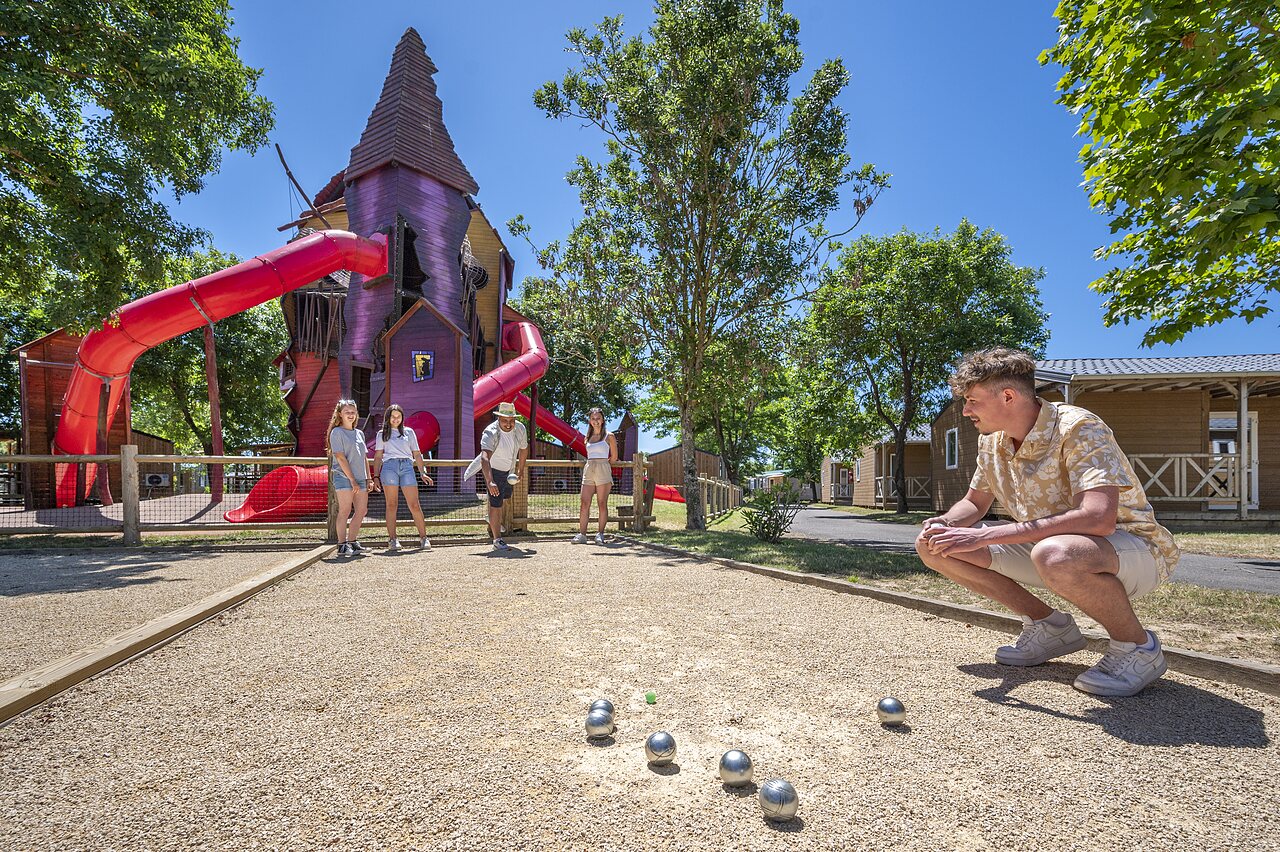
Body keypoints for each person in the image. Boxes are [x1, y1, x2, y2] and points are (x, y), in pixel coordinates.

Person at [916, 347, 1180, 697]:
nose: (965, 410)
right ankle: (1049, 628)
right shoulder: (991, 443)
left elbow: (1097, 519)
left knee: (1054, 554)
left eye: (973, 401)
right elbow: (974, 502)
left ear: (1008, 396)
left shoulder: (1078, 427)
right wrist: (946, 523)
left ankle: (1138, 648)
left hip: (1131, 548)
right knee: (935, 547)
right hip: (1050, 547)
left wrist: (986, 536)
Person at [373, 404, 435, 552]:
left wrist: (422, 472)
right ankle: (393, 540)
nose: (395, 419)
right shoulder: (382, 434)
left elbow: (417, 454)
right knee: (391, 504)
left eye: (398, 416)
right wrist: (375, 476)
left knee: (414, 504)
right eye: (393, 416)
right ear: (388, 418)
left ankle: (424, 538)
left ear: (402, 417)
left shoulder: (409, 432)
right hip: (389, 467)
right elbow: (378, 456)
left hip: (407, 467)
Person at [327, 399, 375, 557]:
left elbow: (364, 458)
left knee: (362, 510)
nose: (351, 415)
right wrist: (352, 480)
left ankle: (352, 542)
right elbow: (340, 457)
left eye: (353, 412)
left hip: (361, 478)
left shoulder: (359, 433)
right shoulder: (337, 432)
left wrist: (368, 478)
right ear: (340, 414)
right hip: (344, 477)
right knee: (345, 510)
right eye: (347, 412)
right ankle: (341, 545)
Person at [478, 400, 529, 551]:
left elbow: (524, 449)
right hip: (493, 470)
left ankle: (491, 518)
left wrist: (520, 470)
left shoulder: (520, 429)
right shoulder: (490, 432)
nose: (508, 424)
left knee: (505, 498)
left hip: (509, 470)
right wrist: (490, 481)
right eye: (505, 420)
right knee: (496, 504)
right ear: (498, 418)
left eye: (511, 421)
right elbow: (484, 458)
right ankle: (497, 540)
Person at [572, 407, 617, 545]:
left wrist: (603, 465)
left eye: (598, 418)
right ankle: (582, 534)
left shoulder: (609, 436)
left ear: (602, 420)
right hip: (589, 468)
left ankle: (600, 534)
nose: (596, 421)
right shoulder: (587, 438)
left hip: (603, 468)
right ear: (590, 421)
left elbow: (614, 457)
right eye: (593, 419)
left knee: (602, 503)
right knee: (584, 502)